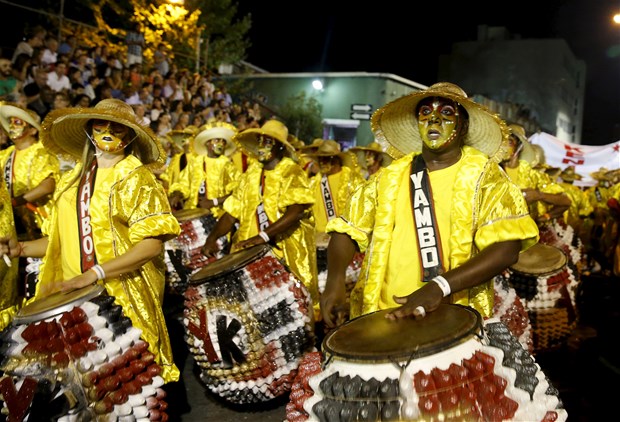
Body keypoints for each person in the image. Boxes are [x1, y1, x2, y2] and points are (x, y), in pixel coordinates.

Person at [320, 82, 539, 327]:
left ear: (463, 125)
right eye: (425, 113)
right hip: (382, 314)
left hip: (452, 316)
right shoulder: (389, 177)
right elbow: (348, 228)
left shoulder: (486, 176)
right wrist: (335, 281)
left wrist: (440, 287)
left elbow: (506, 249)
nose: (434, 120)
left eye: (446, 113)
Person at [0, 98, 181, 383]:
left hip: (120, 297)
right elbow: (59, 240)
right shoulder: (72, 180)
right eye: (101, 124)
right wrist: (21, 248)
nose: (108, 130)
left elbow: (152, 244)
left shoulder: (137, 177)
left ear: (130, 135)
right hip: (73, 298)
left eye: (117, 127)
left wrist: (95, 273)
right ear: (89, 129)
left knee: (130, 385)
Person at [201, 119, 320, 318]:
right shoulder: (250, 174)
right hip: (248, 255)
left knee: (290, 314)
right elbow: (232, 212)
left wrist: (263, 236)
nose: (262, 147)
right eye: (260, 141)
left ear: (280, 146)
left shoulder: (291, 171)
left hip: (283, 256)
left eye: (268, 142)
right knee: (252, 315)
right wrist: (212, 238)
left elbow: (296, 210)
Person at [0, 103, 59, 240]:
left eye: (18, 122)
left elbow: (47, 186)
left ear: (33, 130)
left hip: (43, 221)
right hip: (16, 224)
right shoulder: (5, 155)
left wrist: (14, 202)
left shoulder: (41, 151)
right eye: (11, 123)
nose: (12, 126)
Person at [168, 122, 240, 218]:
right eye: (217, 140)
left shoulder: (228, 166)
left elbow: (238, 191)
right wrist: (177, 194)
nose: (221, 144)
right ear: (207, 143)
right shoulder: (195, 162)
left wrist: (214, 202)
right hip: (192, 212)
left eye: (223, 141)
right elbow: (183, 184)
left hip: (217, 216)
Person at [305, 139, 364, 235]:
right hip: (317, 239)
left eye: (326, 158)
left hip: (343, 239)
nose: (322, 162)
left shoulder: (353, 180)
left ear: (336, 159)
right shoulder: (314, 182)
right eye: (320, 159)